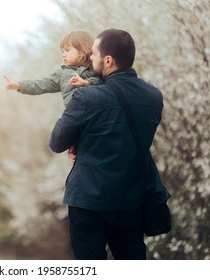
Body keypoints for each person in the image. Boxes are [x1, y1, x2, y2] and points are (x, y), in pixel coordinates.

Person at [49, 29, 164, 260]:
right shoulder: (154, 97)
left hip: (88, 201)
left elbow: (57, 141)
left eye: (94, 55)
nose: (89, 59)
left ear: (108, 61)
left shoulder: (87, 97)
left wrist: (77, 143)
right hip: (130, 200)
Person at [4, 30, 102, 108]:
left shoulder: (95, 68)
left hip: (97, 111)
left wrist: (86, 82)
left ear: (83, 49)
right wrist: (19, 85)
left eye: (67, 50)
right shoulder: (62, 73)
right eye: (62, 51)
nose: (63, 54)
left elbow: (104, 83)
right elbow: (41, 84)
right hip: (75, 114)